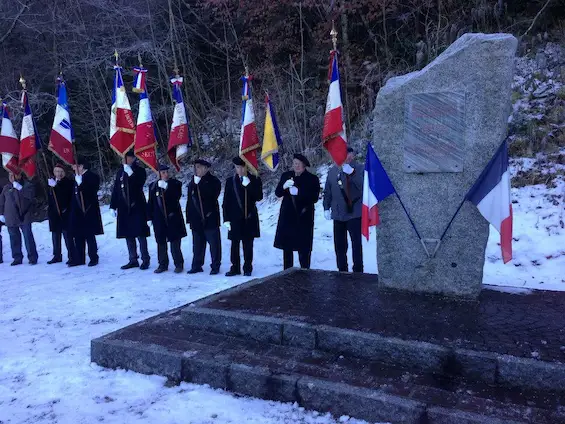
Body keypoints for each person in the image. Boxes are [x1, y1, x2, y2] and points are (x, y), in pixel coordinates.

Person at [274, 153, 320, 269]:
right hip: (288, 217)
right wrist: (283, 187)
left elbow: (314, 197)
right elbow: (278, 193)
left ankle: (305, 272)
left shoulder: (312, 179)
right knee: (287, 249)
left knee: (303, 249)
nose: (296, 166)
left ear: (304, 165)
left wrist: (299, 193)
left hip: (303, 218)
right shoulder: (286, 176)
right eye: (295, 163)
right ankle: (287, 273)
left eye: (299, 164)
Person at [323, 146, 364, 272]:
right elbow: (328, 191)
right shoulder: (332, 171)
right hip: (338, 214)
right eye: (345, 154)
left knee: (356, 244)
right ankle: (342, 269)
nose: (348, 157)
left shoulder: (359, 168)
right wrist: (326, 207)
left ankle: (358, 270)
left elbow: (363, 186)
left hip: (354, 213)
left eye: (350, 155)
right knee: (340, 245)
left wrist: (351, 173)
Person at [222, 156, 263, 277]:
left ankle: (247, 267)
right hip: (234, 218)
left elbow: (259, 197)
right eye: (237, 167)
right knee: (234, 244)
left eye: (241, 167)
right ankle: (234, 267)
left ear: (246, 167)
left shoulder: (254, 179)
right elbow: (226, 202)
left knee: (248, 244)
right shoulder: (231, 181)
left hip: (249, 217)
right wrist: (226, 219)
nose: (239, 170)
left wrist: (249, 185)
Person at [110, 149, 151, 270]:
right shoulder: (120, 172)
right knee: (128, 234)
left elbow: (138, 184)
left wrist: (131, 174)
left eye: (126, 157)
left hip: (137, 205)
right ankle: (133, 259)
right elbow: (116, 189)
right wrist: (113, 205)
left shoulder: (140, 171)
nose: (124, 159)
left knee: (140, 233)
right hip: (123, 206)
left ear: (133, 158)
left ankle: (145, 259)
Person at [147, 164, 186, 274]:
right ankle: (162, 264)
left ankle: (179, 264)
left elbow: (176, 197)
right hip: (159, 219)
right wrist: (149, 217)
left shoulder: (175, 184)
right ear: (158, 173)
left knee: (175, 243)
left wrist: (167, 188)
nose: (166, 174)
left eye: (166, 172)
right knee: (161, 242)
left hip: (173, 218)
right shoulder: (153, 186)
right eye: (163, 172)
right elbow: (150, 203)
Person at [185, 158, 222, 275]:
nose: (197, 170)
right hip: (196, 219)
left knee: (214, 244)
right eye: (196, 167)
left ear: (206, 168)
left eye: (200, 167)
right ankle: (197, 265)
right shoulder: (193, 182)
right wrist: (189, 217)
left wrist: (199, 184)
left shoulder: (214, 181)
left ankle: (215, 265)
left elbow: (211, 196)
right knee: (197, 244)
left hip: (209, 217)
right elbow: (190, 200)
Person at [70, 157, 103, 266]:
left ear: (81, 166)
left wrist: (81, 185)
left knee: (89, 235)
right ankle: (80, 258)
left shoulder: (92, 176)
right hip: (78, 211)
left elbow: (91, 191)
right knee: (78, 236)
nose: (73, 168)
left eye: (75, 166)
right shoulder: (76, 177)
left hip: (88, 209)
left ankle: (93, 257)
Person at [0, 172, 38, 265]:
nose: (12, 177)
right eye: (10, 175)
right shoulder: (6, 187)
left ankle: (32, 257)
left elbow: (30, 197)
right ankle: (17, 257)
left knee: (28, 237)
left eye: (14, 175)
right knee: (14, 238)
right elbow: (1, 201)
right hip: (10, 217)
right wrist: (1, 213)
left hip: (24, 215)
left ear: (20, 175)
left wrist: (20, 189)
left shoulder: (27, 185)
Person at [47, 163, 76, 265]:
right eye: (56, 171)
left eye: (60, 171)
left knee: (67, 235)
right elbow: (50, 198)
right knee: (55, 236)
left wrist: (56, 187)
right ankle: (57, 255)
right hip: (54, 213)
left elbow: (65, 196)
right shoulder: (52, 182)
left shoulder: (68, 182)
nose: (58, 173)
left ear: (63, 172)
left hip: (64, 212)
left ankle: (72, 255)